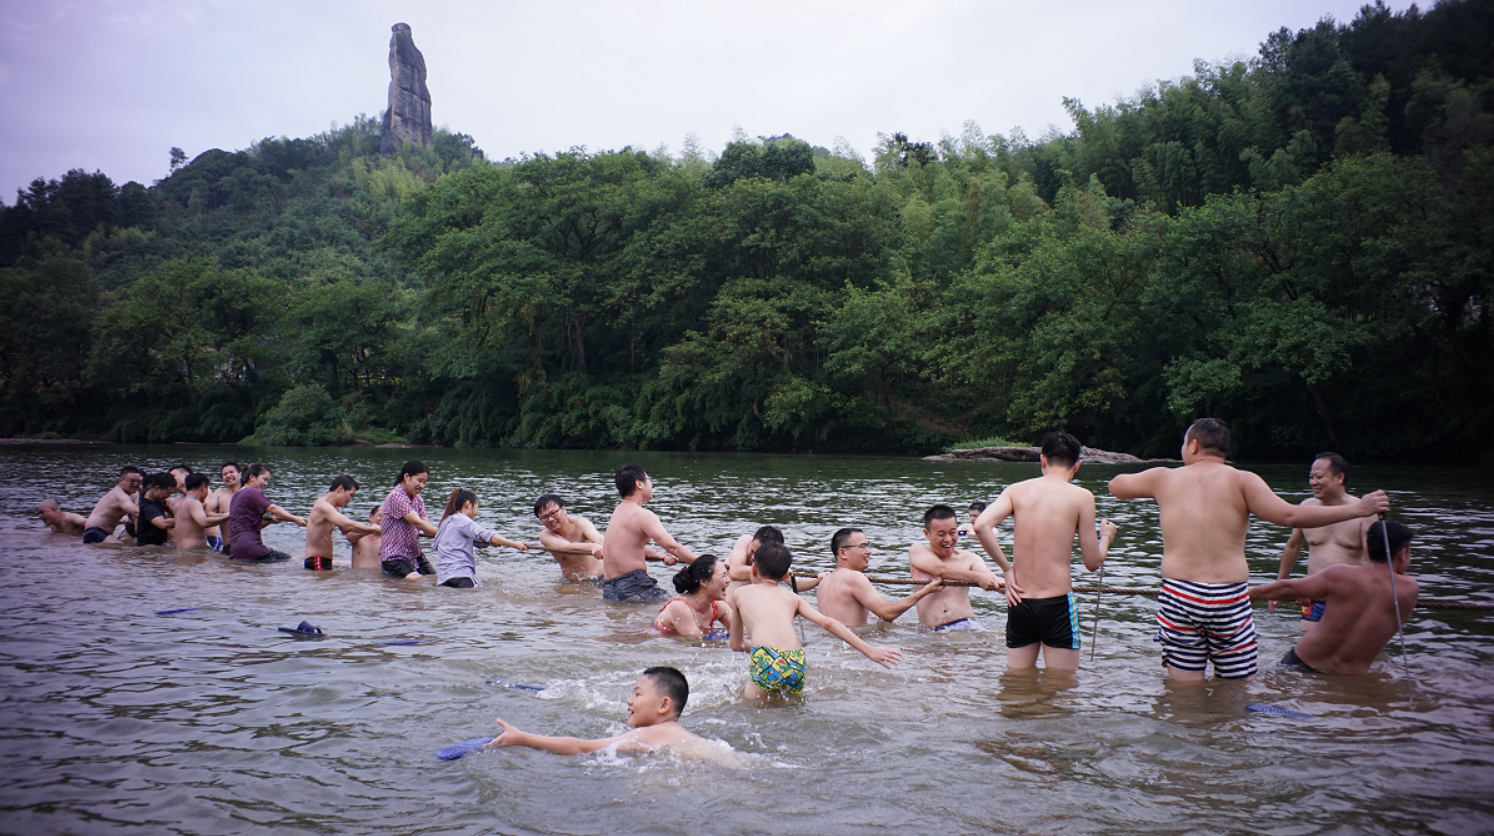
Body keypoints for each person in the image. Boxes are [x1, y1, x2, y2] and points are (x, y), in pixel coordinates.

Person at [1107, 417, 1389, 681]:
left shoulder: (1164, 477)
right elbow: (1289, 516)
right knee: (1238, 686)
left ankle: (1190, 726)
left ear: (1193, 445)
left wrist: (1143, 478)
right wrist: (1358, 509)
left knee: (1184, 688)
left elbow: (1116, 486)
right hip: (1229, 593)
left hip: (1181, 592)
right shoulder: (1244, 480)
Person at [972, 432, 1118, 670]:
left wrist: (1007, 569)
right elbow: (1092, 562)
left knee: (1017, 685)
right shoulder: (1081, 497)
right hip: (1056, 603)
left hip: (1019, 601)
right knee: (1061, 690)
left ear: (1042, 460)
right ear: (1077, 465)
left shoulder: (1016, 490)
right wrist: (1107, 538)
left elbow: (981, 525)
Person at [727, 542, 900, 700]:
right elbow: (828, 623)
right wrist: (869, 650)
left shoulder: (740, 594)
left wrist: (760, 649)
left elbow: (736, 645)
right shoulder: (793, 598)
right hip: (796, 660)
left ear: (754, 569)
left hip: (766, 657)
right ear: (786, 575)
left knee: (751, 708)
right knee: (791, 706)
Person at [1249, 520, 1418, 675]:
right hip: (1346, 678)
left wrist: (1252, 594)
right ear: (1403, 554)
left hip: (1300, 662)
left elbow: (1288, 587)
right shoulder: (1409, 589)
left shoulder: (1340, 574)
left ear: (1367, 549)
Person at [488, 667, 732, 762]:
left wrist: (522, 738)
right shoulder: (677, 733)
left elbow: (582, 748)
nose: (629, 700)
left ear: (663, 705)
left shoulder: (649, 734)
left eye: (637, 694)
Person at [1271, 452, 1371, 629]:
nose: (1313, 482)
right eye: (1311, 477)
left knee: (1353, 654)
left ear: (1339, 478)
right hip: (1313, 598)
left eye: (1318, 477)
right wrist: (1280, 586)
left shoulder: (1363, 512)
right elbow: (1293, 547)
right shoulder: (1306, 508)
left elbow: (1373, 560)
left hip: (1350, 599)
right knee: (1307, 650)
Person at [600, 464, 697, 602]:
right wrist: (707, 562)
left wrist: (661, 556)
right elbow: (672, 547)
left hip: (610, 589)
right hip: (633, 585)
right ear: (639, 484)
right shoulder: (642, 514)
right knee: (684, 606)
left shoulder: (618, 511)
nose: (651, 483)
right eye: (648, 479)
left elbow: (629, 549)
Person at [815, 528, 941, 627]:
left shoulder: (825, 580)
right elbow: (887, 614)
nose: (869, 551)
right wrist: (925, 591)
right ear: (842, 552)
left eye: (868, 545)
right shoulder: (854, 578)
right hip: (850, 651)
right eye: (862, 546)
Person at [910, 505, 1004, 632]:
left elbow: (989, 577)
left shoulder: (970, 558)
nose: (948, 539)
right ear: (927, 534)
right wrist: (978, 578)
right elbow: (940, 570)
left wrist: (1014, 587)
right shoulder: (918, 551)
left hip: (970, 625)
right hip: (935, 630)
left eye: (953, 533)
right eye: (941, 534)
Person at [432, 488, 531, 588]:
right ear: (468, 504)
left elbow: (477, 541)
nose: (476, 512)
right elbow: (486, 535)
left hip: (443, 579)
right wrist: (514, 544)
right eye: (476, 507)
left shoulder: (447, 522)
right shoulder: (462, 520)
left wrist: (490, 543)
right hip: (461, 575)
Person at [227, 463, 307, 562]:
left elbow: (250, 525)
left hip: (237, 550)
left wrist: (270, 520)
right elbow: (273, 508)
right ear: (252, 477)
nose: (266, 484)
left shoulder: (236, 495)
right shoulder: (252, 492)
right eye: (264, 479)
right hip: (252, 547)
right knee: (292, 560)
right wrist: (295, 518)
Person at [304, 475, 381, 570]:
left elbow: (346, 530)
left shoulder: (334, 509)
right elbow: (347, 524)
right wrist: (371, 529)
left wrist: (368, 531)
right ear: (340, 489)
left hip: (323, 560)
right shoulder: (323, 506)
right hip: (317, 560)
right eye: (350, 495)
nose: (349, 500)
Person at [380, 459, 439, 580]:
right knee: (416, 581)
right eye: (419, 481)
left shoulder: (418, 500)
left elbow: (426, 527)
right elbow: (417, 522)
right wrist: (443, 533)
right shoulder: (396, 497)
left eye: (424, 482)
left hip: (415, 556)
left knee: (436, 580)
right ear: (406, 477)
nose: (422, 486)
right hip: (395, 558)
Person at [654, 554, 734, 638]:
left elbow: (743, 629)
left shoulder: (717, 607)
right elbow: (697, 640)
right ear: (704, 582)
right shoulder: (679, 607)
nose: (729, 581)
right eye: (723, 576)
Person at [533, 494, 606, 581]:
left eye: (553, 513)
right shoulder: (545, 536)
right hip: (575, 582)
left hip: (603, 576)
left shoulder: (580, 523)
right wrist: (592, 547)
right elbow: (567, 547)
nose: (550, 519)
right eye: (544, 517)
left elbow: (598, 538)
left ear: (564, 509)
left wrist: (604, 547)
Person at [82, 466, 143, 544]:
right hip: (93, 532)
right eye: (132, 481)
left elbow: (137, 511)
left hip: (106, 533)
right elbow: (135, 511)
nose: (136, 484)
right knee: (123, 548)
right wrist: (154, 516)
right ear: (121, 481)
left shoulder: (133, 493)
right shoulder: (119, 494)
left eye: (138, 481)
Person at [173, 473, 230, 550]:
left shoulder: (178, 503)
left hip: (180, 549)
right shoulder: (194, 503)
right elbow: (204, 522)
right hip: (194, 551)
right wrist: (228, 516)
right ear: (203, 487)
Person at [203, 462, 242, 552]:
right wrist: (226, 515)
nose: (228, 475)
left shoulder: (248, 492)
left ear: (240, 474)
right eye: (225, 474)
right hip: (228, 545)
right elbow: (208, 512)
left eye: (231, 472)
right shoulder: (219, 493)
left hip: (247, 544)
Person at [134, 473, 177, 547]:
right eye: (168, 493)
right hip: (148, 548)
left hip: (160, 543)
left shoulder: (152, 493)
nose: (168, 496)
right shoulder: (147, 506)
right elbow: (163, 524)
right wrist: (186, 520)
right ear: (157, 488)